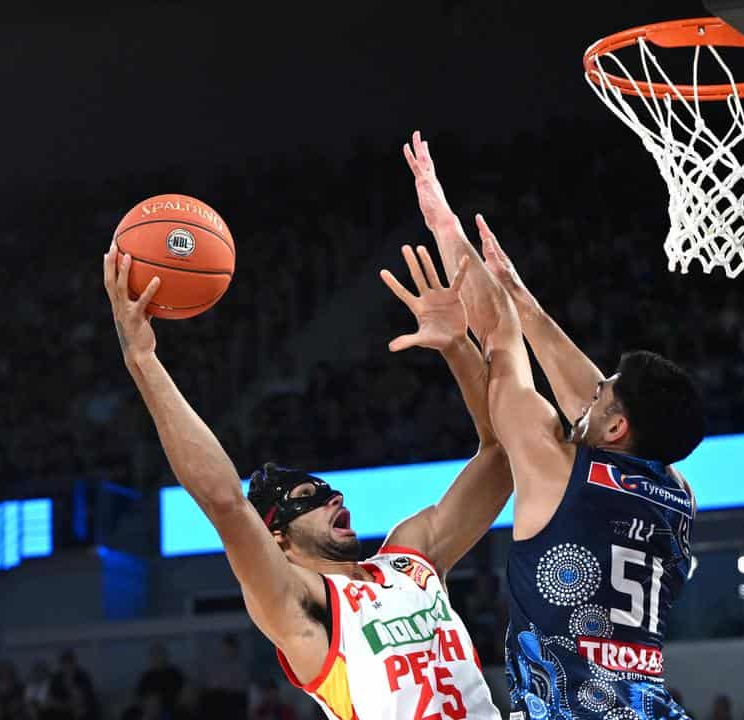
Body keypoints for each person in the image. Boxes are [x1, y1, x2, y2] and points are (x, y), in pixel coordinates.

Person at [103, 240, 509, 720]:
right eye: (306, 498)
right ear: (278, 537)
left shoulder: (411, 555)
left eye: (327, 490)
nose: (333, 496)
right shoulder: (302, 608)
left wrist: (458, 347)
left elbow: (501, 456)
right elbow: (225, 503)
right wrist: (144, 360)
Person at [404, 131, 705, 718]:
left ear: (616, 426)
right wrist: (523, 297)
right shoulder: (677, 494)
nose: (589, 392)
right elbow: (597, 407)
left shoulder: (553, 470)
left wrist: (445, 228)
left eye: (603, 390)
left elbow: (498, 339)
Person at [201, 634, 248, 719]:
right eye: (226, 648)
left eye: (230, 648)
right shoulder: (216, 665)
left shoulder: (240, 666)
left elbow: (241, 687)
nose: (227, 651)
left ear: (235, 649)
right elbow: (211, 684)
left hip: (234, 700)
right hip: (219, 699)